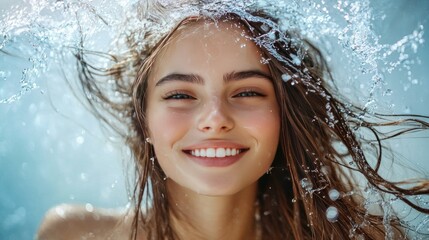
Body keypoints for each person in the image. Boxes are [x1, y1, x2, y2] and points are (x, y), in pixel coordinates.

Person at [36, 1, 429, 239]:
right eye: (179, 95)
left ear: (284, 113)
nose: (215, 119)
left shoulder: (367, 238)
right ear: (144, 120)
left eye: (246, 92)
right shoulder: (71, 234)